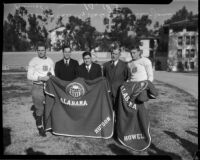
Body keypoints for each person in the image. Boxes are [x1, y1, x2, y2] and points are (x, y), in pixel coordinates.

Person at [27, 41, 55, 137]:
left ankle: (49, 125)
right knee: (39, 109)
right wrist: (40, 78)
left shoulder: (50, 61)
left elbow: (52, 73)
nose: (41, 52)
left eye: (42, 50)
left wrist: (49, 76)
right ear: (37, 51)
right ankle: (40, 128)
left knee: (49, 106)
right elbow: (29, 76)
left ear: (46, 50)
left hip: (48, 86)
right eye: (39, 50)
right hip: (37, 86)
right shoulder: (33, 61)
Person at [103, 45, 131, 110]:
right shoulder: (106, 65)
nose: (113, 55)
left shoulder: (124, 65)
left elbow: (128, 78)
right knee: (108, 111)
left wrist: (124, 89)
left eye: (116, 54)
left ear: (119, 55)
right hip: (108, 93)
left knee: (119, 112)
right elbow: (104, 78)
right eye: (112, 53)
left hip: (119, 93)